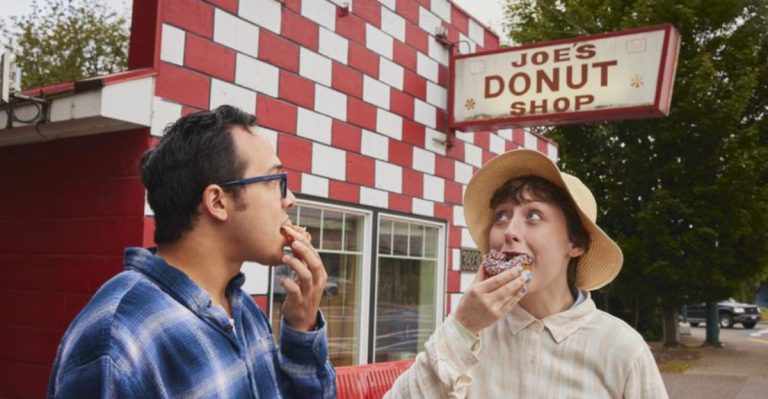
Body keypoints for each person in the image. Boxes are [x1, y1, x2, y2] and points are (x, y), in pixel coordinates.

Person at [47, 105, 336, 398]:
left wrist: (302, 329)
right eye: (276, 181)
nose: (291, 200)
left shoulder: (245, 312)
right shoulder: (118, 340)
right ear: (218, 202)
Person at [385, 149, 668, 398]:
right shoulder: (473, 331)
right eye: (502, 216)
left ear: (576, 243)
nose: (509, 231)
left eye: (533, 215)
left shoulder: (622, 349)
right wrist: (462, 328)